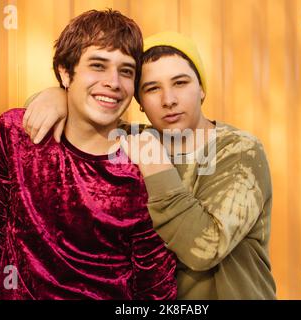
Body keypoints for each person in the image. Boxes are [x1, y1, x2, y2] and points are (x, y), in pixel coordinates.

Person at [24, 31, 276, 299]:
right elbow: (78, 122)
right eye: (152, 88)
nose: (168, 100)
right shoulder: (135, 140)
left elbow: (206, 248)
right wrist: (57, 96)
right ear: (140, 102)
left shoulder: (239, 151)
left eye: (180, 83)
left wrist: (158, 169)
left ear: (201, 89)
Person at [0, 10, 177, 300]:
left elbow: (155, 288)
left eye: (126, 71)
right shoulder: (12, 134)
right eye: (98, 65)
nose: (113, 82)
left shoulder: (146, 162)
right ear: (65, 71)